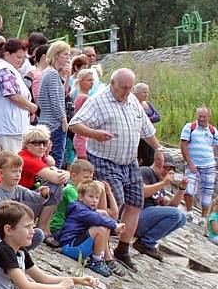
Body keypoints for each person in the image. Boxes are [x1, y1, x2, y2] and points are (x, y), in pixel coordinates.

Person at [69, 68, 166, 273]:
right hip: (105, 159)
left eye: (130, 88)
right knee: (115, 203)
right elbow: (75, 124)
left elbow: (147, 129)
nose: (127, 92)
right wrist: (93, 133)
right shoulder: (98, 100)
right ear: (112, 83)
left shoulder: (132, 101)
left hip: (129, 161)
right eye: (124, 87)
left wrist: (157, 148)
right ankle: (104, 252)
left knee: (136, 202)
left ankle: (123, 249)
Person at [0, 38, 37, 152]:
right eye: (18, 57)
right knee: (7, 162)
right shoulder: (3, 70)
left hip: (8, 127)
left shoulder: (7, 69)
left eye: (23, 58)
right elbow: (13, 96)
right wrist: (31, 107)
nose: (21, 61)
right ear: (7, 54)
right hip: (5, 129)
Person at [0, 152, 53, 250]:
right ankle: (6, 249)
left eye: (20, 171)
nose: (18, 175)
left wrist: (43, 194)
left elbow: (37, 198)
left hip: (18, 228)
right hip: (4, 230)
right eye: (14, 171)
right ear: (1, 173)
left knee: (38, 234)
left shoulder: (19, 189)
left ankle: (18, 250)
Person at [57, 181, 123, 277]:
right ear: (80, 197)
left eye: (97, 198)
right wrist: (115, 225)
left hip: (79, 245)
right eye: (91, 197)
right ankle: (95, 261)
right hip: (70, 247)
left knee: (104, 218)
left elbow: (100, 216)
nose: (94, 201)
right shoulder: (79, 209)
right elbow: (96, 218)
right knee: (100, 229)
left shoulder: (86, 209)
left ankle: (100, 256)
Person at [135, 152, 188, 260]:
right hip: (135, 214)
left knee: (181, 217)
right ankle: (146, 243)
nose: (167, 172)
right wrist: (163, 183)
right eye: (165, 168)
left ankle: (146, 241)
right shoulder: (145, 171)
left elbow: (171, 206)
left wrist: (181, 189)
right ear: (157, 164)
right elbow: (142, 192)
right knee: (176, 214)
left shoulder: (159, 183)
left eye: (170, 170)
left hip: (145, 217)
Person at [179, 106, 218, 224]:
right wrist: (190, 163)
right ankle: (189, 212)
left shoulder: (213, 131)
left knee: (207, 192)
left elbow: (216, 148)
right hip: (193, 164)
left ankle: (203, 217)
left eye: (204, 117)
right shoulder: (189, 127)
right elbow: (183, 145)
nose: (201, 119)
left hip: (209, 165)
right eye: (199, 116)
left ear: (209, 117)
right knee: (189, 189)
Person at [37, 41, 71, 168]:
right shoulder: (51, 73)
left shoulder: (50, 73)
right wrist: (63, 119)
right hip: (54, 123)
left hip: (47, 121)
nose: (68, 58)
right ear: (56, 56)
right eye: (65, 54)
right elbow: (56, 100)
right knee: (56, 158)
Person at [133, 83, 161, 167]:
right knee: (142, 156)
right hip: (140, 136)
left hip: (150, 133)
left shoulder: (147, 104)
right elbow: (137, 118)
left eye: (147, 93)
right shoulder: (134, 104)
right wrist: (149, 118)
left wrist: (146, 119)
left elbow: (158, 117)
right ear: (137, 92)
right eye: (144, 92)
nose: (146, 95)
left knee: (151, 154)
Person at [72, 69, 97, 159]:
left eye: (92, 80)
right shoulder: (84, 97)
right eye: (89, 80)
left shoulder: (79, 95)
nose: (92, 82)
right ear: (81, 82)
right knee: (84, 167)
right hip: (83, 137)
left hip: (81, 136)